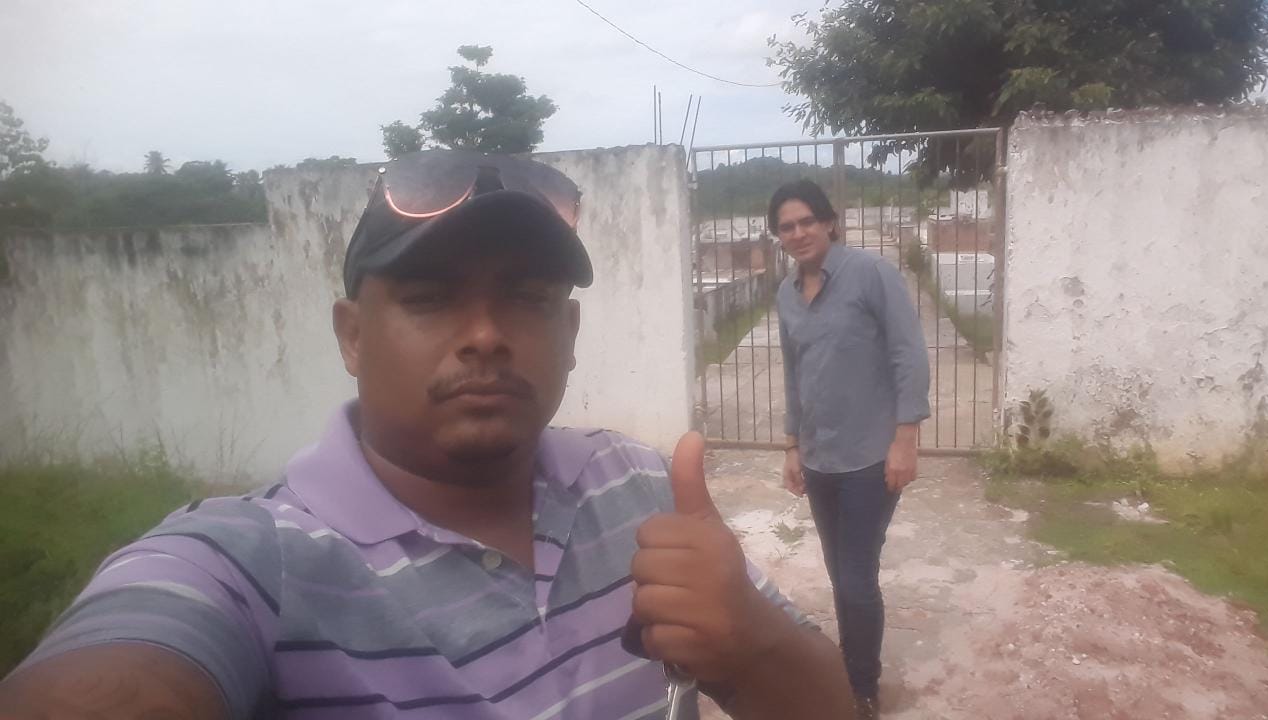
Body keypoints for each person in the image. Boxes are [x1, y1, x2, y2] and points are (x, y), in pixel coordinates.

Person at [0, 151, 856, 719]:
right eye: (430, 297)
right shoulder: (255, 563)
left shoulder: (639, 489)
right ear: (351, 336)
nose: (485, 334)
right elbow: (130, 659)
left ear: (569, 334)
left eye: (527, 298)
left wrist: (752, 639)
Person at [770, 180, 931, 719]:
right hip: (819, 460)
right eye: (786, 227)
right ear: (778, 236)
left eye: (806, 221)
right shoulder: (786, 295)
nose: (798, 233)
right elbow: (793, 374)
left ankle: (862, 688)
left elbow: (909, 354)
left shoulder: (871, 274)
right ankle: (852, 664)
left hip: (869, 458)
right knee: (839, 572)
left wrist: (905, 440)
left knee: (857, 577)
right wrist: (792, 445)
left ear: (829, 223)